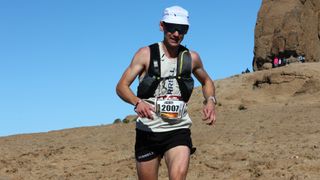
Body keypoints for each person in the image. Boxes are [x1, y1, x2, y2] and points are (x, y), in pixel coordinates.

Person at [116, 5, 216, 180]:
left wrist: (210, 101)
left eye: (182, 29)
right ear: (162, 26)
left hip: (178, 130)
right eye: (172, 28)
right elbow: (121, 86)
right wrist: (137, 102)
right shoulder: (145, 54)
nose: (176, 33)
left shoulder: (191, 58)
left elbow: (207, 81)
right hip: (148, 131)